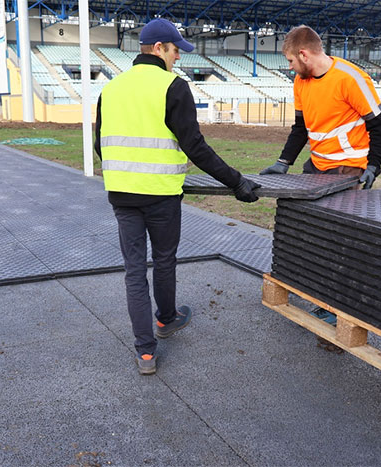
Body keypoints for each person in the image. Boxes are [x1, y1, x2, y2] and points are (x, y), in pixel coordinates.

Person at [94, 18, 261, 375]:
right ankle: (166, 320)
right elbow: (195, 147)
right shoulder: (174, 86)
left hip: (122, 195)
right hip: (162, 196)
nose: (178, 59)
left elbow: (100, 145)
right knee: (165, 260)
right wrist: (236, 181)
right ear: (159, 49)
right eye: (175, 51)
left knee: (134, 272)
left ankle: (145, 353)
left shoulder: (111, 89)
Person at [260, 25, 381, 190]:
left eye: (291, 61)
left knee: (334, 215)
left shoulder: (351, 78)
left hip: (347, 167)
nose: (290, 67)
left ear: (303, 55)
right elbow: (301, 127)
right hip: (316, 165)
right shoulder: (300, 82)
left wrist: (373, 165)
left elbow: (380, 123)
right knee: (300, 211)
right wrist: (283, 162)